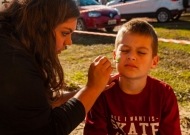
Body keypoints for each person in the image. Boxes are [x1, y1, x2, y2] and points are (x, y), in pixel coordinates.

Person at [0, 0, 119, 134]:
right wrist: (92, 89)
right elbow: (50, 129)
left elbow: (44, 104)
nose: (69, 42)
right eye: (64, 33)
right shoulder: (13, 62)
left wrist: (91, 90)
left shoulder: (14, 44)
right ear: (41, 25)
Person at [84, 19, 181, 135]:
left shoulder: (164, 94)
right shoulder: (102, 92)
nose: (132, 56)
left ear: (154, 62)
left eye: (141, 52)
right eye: (125, 50)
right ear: (115, 56)